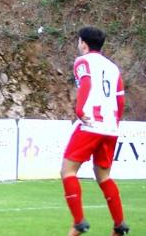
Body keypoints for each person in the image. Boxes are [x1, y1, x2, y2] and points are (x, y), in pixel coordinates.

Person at [61, 26, 128, 236]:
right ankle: (119, 225)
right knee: (104, 176)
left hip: (90, 124)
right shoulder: (113, 67)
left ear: (83, 43)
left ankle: (78, 222)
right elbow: (120, 99)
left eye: (78, 41)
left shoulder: (83, 61)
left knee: (68, 171)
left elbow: (86, 83)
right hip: (110, 127)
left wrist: (80, 110)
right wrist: (114, 122)